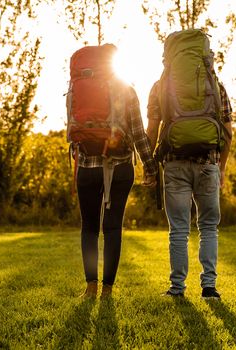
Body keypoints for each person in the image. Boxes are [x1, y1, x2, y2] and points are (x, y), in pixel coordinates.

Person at [146, 36, 233, 300]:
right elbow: (228, 131)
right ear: (206, 56)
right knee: (208, 228)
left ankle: (177, 289)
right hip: (208, 163)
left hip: (174, 164)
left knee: (179, 230)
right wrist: (222, 167)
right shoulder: (215, 85)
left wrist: (150, 167)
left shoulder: (160, 86)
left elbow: (151, 129)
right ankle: (209, 288)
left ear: (168, 56)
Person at [69, 44, 157, 299]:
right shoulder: (126, 89)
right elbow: (139, 133)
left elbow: (73, 129)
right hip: (119, 168)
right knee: (113, 227)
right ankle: (107, 289)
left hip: (87, 166)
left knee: (89, 227)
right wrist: (149, 168)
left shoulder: (78, 86)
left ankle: (90, 288)